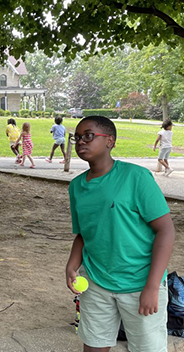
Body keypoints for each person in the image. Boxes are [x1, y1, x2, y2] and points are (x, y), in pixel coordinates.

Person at [65, 116, 175, 352]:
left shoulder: (135, 177)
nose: (81, 142)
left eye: (89, 135)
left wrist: (152, 287)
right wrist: (72, 266)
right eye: (77, 137)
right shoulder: (76, 187)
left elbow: (165, 230)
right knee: (94, 346)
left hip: (139, 282)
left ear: (110, 141)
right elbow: (83, 234)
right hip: (96, 281)